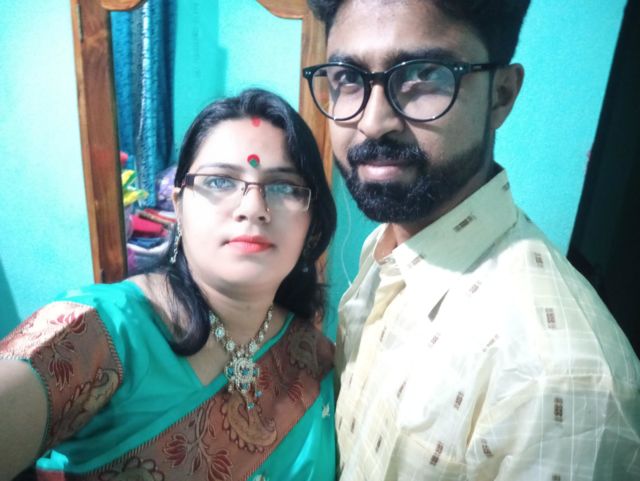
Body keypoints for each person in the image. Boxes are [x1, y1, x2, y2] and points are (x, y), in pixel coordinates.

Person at [303, 0, 640, 479]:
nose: (373, 121)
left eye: (422, 74)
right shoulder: (385, 247)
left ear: (501, 95)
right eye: (347, 78)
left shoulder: (559, 379)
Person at [0, 88, 337, 480]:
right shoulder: (98, 333)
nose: (253, 209)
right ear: (178, 205)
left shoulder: (313, 355)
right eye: (220, 181)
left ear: (311, 220)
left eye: (282, 186)